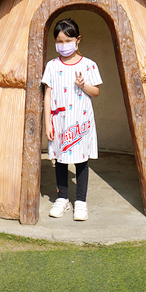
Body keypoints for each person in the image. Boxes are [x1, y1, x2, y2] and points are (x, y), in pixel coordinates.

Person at [41, 18, 102, 221]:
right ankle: (62, 199)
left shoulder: (89, 65)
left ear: (78, 40)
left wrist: (83, 84)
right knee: (59, 160)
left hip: (81, 122)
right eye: (59, 41)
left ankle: (81, 202)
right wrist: (47, 122)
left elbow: (95, 92)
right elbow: (47, 95)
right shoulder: (51, 65)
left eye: (68, 40)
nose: (64, 45)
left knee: (81, 161)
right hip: (59, 122)